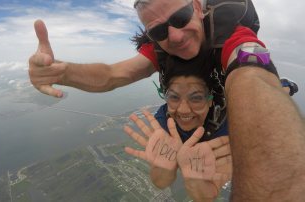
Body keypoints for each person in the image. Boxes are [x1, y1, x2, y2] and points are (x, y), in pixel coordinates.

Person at [28, 0, 305, 200]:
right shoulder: (159, 52)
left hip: (222, 105)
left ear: (197, 6)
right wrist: (63, 72)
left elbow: (252, 68)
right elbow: (113, 75)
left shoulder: (234, 34)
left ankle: (281, 87)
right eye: (159, 31)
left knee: (268, 88)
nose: (174, 35)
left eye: (181, 16)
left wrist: (261, 83)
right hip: (200, 110)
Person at [124, 53, 232, 201]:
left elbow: (208, 196)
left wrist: (196, 180)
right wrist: (163, 167)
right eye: (174, 97)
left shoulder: (226, 129)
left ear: (210, 101)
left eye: (196, 98)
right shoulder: (164, 122)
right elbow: (160, 182)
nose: (183, 109)